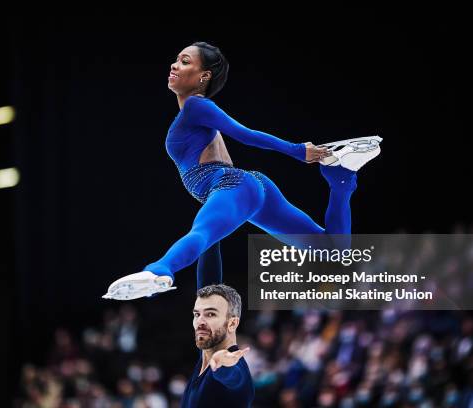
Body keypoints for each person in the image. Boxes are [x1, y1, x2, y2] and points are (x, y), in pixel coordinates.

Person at [103, 42, 381, 300]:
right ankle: (341, 179)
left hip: (232, 185)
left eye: (185, 61)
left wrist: (298, 150)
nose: (174, 65)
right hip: (250, 188)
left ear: (204, 77)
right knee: (333, 252)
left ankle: (159, 270)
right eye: (176, 60)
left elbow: (244, 133)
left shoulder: (196, 106)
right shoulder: (197, 113)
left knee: (200, 233)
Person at [181, 283, 254, 407]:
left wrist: (222, 366)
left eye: (210, 314)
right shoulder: (207, 352)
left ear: (232, 324)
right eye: (197, 314)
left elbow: (233, 377)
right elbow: (207, 269)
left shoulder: (237, 368)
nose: (200, 322)